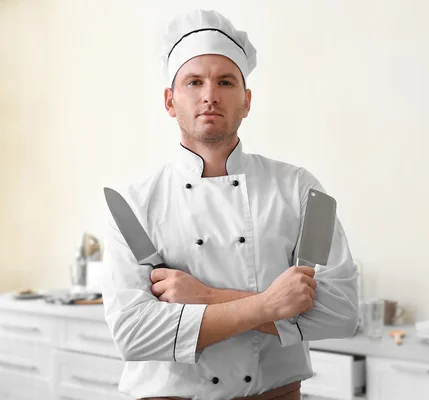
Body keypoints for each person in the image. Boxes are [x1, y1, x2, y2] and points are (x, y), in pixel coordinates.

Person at [102, 8, 359, 400]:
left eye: (225, 81)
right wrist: (270, 305)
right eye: (193, 82)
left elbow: (341, 313)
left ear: (247, 99)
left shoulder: (299, 189)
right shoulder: (134, 205)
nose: (209, 95)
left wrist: (206, 297)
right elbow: (133, 334)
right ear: (170, 101)